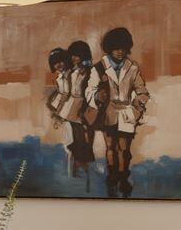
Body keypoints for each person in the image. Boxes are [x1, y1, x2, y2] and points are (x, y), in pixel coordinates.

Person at [85, 26, 150, 197]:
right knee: (110, 146)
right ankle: (112, 174)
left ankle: (123, 176)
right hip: (108, 112)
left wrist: (138, 103)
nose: (120, 52)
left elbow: (142, 91)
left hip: (128, 113)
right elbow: (89, 91)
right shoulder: (99, 68)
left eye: (123, 48)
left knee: (125, 149)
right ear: (109, 48)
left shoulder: (133, 68)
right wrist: (98, 96)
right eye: (116, 48)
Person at [62, 39, 96, 179]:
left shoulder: (89, 71)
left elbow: (89, 89)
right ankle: (78, 162)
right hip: (72, 104)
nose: (74, 58)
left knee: (85, 134)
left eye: (77, 55)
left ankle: (83, 162)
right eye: (72, 55)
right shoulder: (72, 72)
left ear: (83, 55)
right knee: (76, 135)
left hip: (84, 104)